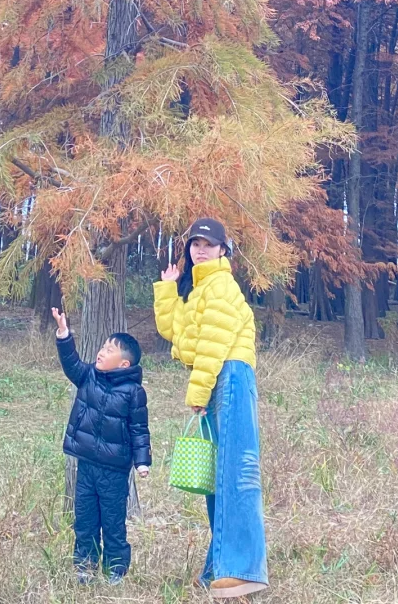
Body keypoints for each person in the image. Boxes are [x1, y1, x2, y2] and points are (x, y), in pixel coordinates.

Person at [155, 217, 267, 599]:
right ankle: (219, 569)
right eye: (195, 243)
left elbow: (212, 346)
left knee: (236, 472)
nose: (200, 249)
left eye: (209, 243)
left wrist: (198, 392)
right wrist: (167, 289)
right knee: (218, 479)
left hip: (230, 375)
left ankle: (243, 569)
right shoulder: (197, 289)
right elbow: (174, 331)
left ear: (223, 250)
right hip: (220, 377)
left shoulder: (220, 284)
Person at [52, 306, 151, 584]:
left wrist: (142, 461)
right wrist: (63, 334)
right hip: (87, 465)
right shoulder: (88, 376)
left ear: (124, 364)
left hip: (115, 472)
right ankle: (85, 565)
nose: (102, 352)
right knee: (84, 520)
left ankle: (116, 569)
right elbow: (71, 363)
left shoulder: (134, 393)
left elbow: (139, 429)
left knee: (113, 523)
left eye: (110, 350)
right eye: (103, 347)